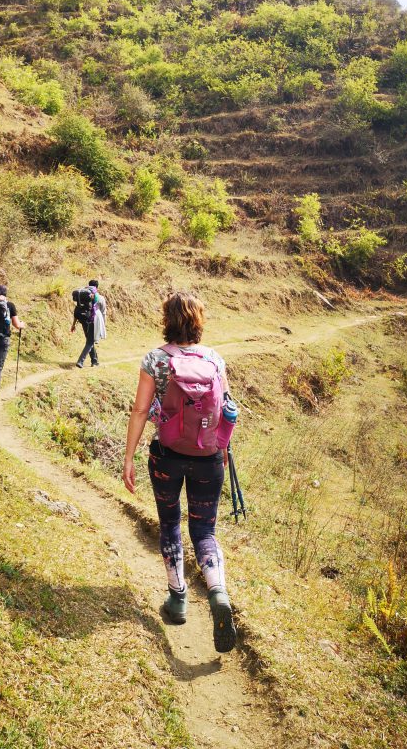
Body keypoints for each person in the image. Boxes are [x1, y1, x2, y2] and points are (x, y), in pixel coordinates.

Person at [122, 291, 237, 653]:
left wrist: (128, 457)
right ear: (199, 321)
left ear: (167, 319)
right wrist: (222, 450)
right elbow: (225, 408)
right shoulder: (214, 359)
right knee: (204, 529)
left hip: (167, 456)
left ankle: (178, 599)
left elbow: (140, 411)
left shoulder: (155, 359)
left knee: (170, 524)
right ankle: (217, 590)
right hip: (208, 457)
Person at [71, 279, 106, 368]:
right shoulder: (99, 297)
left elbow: (77, 308)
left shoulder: (83, 296)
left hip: (82, 318)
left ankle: (94, 361)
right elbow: (103, 313)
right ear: (97, 287)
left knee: (89, 340)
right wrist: (103, 325)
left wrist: (73, 324)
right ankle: (80, 361)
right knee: (90, 341)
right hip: (92, 319)